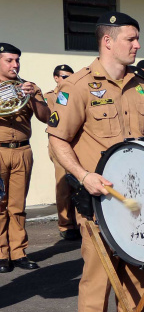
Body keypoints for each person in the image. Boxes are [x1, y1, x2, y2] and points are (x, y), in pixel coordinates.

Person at [46, 12, 144, 312]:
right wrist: (83, 176)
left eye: (137, 38)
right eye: (131, 38)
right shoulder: (79, 86)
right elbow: (57, 139)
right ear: (108, 41)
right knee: (97, 282)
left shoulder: (142, 85)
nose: (138, 45)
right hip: (100, 203)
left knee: (138, 279)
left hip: (139, 203)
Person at [0, 43, 50, 273]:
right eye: (9, 60)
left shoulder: (28, 86)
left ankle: (18, 251)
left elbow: (46, 117)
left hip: (22, 150)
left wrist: (34, 99)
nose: (15, 65)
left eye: (17, 60)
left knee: (17, 205)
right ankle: (2, 254)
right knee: (0, 205)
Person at [44, 64, 79, 241]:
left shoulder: (76, 93)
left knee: (77, 185)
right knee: (64, 185)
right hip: (58, 143)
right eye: (64, 77)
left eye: (70, 76)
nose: (68, 80)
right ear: (56, 78)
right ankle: (65, 224)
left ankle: (78, 222)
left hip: (75, 144)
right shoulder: (50, 97)